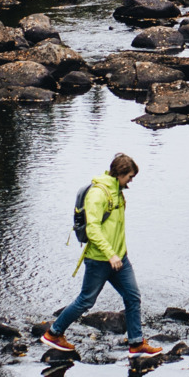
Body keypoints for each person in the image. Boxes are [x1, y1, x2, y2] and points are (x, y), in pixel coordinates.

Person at [42, 152, 163, 357]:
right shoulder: (98, 194)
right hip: (100, 259)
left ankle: (136, 343)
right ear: (120, 174)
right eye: (130, 177)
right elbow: (93, 230)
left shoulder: (117, 191)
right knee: (86, 301)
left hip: (119, 258)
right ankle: (54, 333)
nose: (131, 181)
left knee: (133, 297)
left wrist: (119, 254)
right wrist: (110, 254)